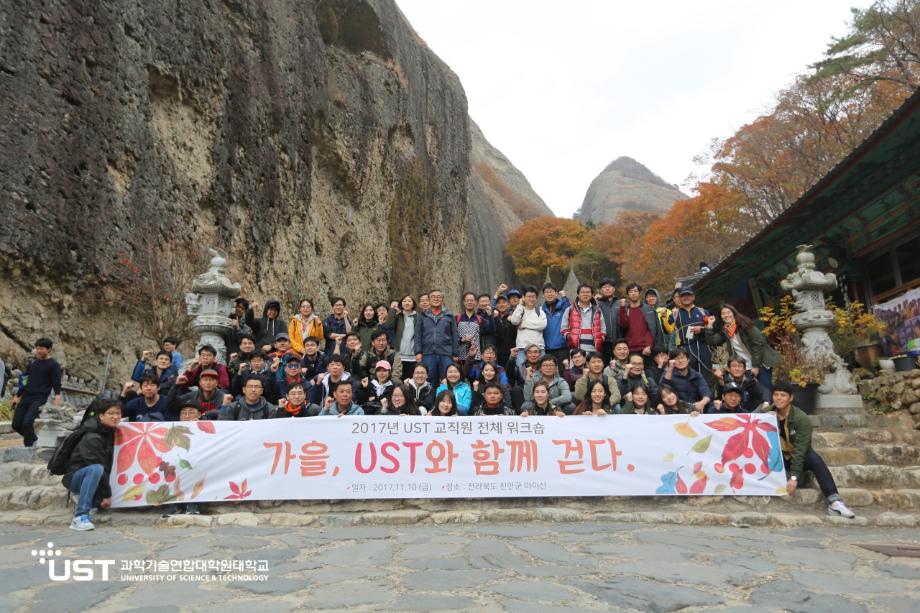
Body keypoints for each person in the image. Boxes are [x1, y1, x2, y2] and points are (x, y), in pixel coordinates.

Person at [758, 381, 856, 518]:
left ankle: (835, 502)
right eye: (776, 395)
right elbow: (748, 420)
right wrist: (765, 418)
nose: (779, 398)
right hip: (776, 456)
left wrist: (794, 477)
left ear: (790, 398)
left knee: (814, 459)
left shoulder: (801, 419)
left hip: (797, 456)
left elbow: (800, 451)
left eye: (783, 395)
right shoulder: (766, 414)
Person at [62, 399, 121, 531]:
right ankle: (80, 516)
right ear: (101, 416)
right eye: (111, 413)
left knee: (98, 469)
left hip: (94, 476)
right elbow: (97, 464)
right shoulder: (92, 436)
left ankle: (92, 500)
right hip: (76, 477)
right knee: (96, 468)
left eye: (118, 413)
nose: (115, 417)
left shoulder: (110, 431)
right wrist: (106, 494)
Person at [706, 304, 779, 393]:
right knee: (755, 393)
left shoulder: (745, 324)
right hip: (745, 366)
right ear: (721, 317)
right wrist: (709, 326)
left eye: (728, 312)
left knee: (767, 390)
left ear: (734, 313)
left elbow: (759, 344)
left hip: (760, 363)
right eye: (723, 314)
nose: (726, 315)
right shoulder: (725, 331)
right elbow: (712, 341)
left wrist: (755, 366)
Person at [11, 337, 63, 447]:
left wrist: (57, 395)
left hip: (39, 398)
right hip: (26, 396)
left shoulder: (54, 365)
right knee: (16, 424)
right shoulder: (33, 363)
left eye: (42, 348)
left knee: (27, 423)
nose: (39, 351)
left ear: (49, 349)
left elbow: (56, 381)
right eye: (37, 348)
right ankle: (34, 439)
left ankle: (29, 447)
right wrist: (17, 395)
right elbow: (25, 381)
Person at [160, 402, 204, 517]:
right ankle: (173, 504)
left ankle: (192, 503)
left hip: (196, 461)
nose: (187, 416)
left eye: (191, 413)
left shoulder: (206, 427)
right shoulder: (170, 428)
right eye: (184, 413)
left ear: (199, 414)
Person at [414, 289, 460, 384]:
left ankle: (447, 398)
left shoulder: (449, 315)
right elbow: (418, 335)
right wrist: (418, 351)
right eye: (433, 297)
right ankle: (429, 399)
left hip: (445, 353)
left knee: (447, 379)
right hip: (428, 352)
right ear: (429, 300)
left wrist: (455, 353)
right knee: (429, 379)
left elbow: (455, 335)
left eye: (439, 297)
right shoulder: (422, 315)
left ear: (442, 300)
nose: (436, 299)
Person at [673, 287, 712, 379]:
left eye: (688, 295)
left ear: (693, 297)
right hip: (686, 350)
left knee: (707, 376)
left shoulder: (703, 311)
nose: (686, 297)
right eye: (683, 296)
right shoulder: (675, 314)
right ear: (679, 298)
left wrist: (701, 329)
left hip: (704, 348)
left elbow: (712, 329)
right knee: (689, 378)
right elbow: (667, 331)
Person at [619, 283, 664, 360]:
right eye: (630, 292)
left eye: (635, 291)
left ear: (639, 293)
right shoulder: (625, 310)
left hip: (646, 349)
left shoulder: (648, 309)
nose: (633, 293)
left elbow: (652, 329)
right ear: (627, 295)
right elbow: (623, 326)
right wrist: (622, 308)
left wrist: (649, 345)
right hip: (630, 349)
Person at [660, 347, 712, 413]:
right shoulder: (668, 374)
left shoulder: (696, 375)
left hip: (694, 408)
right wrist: (670, 368)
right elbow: (663, 389)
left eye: (682, 357)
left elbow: (706, 392)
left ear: (688, 360)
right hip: (677, 410)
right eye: (676, 359)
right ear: (672, 362)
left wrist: (702, 403)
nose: (680, 361)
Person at [509, 286, 547, 372]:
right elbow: (514, 321)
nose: (531, 299)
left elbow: (543, 325)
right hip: (522, 347)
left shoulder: (539, 311)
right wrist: (519, 305)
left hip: (539, 347)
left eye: (533, 296)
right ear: (524, 297)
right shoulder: (520, 310)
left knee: (542, 370)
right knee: (521, 371)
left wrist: (524, 324)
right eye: (529, 296)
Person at [562, 284, 606, 354]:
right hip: (575, 349)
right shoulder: (570, 309)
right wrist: (569, 337)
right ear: (578, 294)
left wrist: (601, 339)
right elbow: (563, 328)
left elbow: (603, 327)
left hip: (594, 349)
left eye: (588, 292)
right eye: (582, 292)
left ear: (592, 295)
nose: (585, 294)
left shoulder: (598, 310)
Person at [384, 294, 419, 376]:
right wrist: (392, 310)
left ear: (413, 303)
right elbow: (388, 326)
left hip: (413, 355)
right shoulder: (398, 316)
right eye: (404, 301)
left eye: (409, 301)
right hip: (399, 354)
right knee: (398, 378)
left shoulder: (418, 317)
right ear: (401, 304)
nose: (407, 303)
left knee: (411, 379)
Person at [457, 291, 492, 364]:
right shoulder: (458, 318)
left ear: (476, 303)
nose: (470, 302)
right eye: (467, 300)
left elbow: (490, 330)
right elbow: (453, 336)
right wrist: (462, 339)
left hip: (476, 356)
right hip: (460, 355)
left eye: (472, 300)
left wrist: (489, 315)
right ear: (464, 302)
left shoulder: (480, 319)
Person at [541, 282, 572, 364]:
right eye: (547, 292)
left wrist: (564, 297)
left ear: (556, 293)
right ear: (543, 295)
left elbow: (570, 312)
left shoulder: (563, 307)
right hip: (547, 348)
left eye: (551, 291)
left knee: (563, 372)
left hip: (562, 347)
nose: (549, 294)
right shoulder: (541, 310)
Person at [596, 278, 625, 365]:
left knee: (618, 367)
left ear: (614, 289)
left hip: (618, 341)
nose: (607, 289)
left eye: (609, 286)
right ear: (600, 290)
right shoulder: (596, 304)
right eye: (604, 287)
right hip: (602, 342)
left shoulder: (620, 303)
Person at [492, 293, 516, 368]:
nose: (501, 305)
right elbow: (488, 308)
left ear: (508, 304)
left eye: (504, 302)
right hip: (496, 352)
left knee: (510, 374)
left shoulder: (513, 317)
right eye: (499, 303)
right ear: (496, 306)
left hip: (511, 352)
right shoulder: (493, 317)